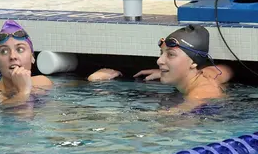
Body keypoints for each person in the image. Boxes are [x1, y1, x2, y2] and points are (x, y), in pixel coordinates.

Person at [89, 24, 233, 114]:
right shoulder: (209, 74)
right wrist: (169, 71)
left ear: (193, 63)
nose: (159, 61)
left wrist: (93, 83)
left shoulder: (200, 94)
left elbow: (166, 118)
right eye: (161, 53)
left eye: (170, 55)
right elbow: (226, 69)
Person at [0, 20, 53, 111]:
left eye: (20, 49)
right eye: (4, 51)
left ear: (32, 57)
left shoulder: (42, 82)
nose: (13, 56)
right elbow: (22, 120)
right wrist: (24, 91)